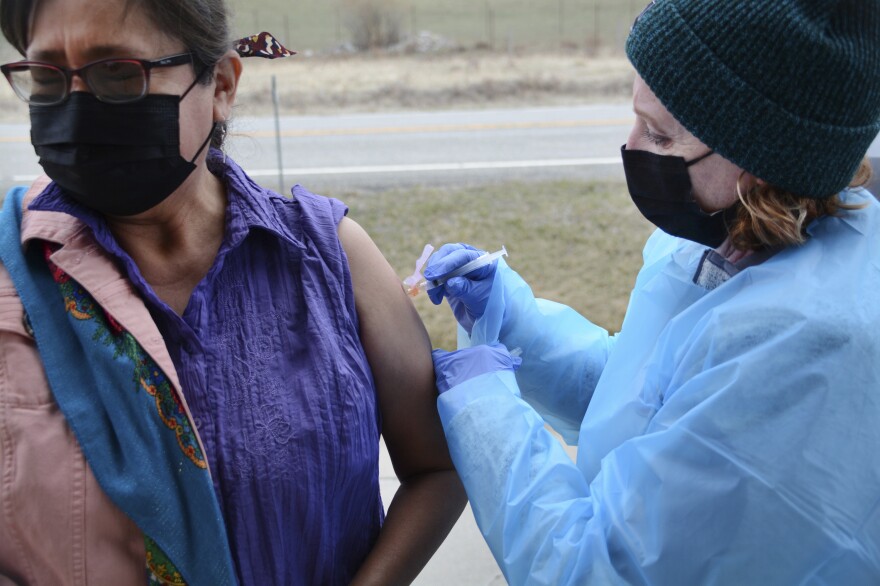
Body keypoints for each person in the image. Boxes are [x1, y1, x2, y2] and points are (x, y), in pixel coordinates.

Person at [0, 0, 465, 584]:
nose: (75, 108)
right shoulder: (16, 280)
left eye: (117, 72)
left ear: (220, 84)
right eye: (46, 77)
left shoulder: (329, 258)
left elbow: (435, 467)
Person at [425, 0, 880, 584]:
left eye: (661, 136)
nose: (633, 146)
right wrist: (515, 327)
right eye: (637, 116)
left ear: (764, 160)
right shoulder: (734, 233)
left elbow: (601, 569)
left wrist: (483, 409)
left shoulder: (803, 347)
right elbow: (647, 401)